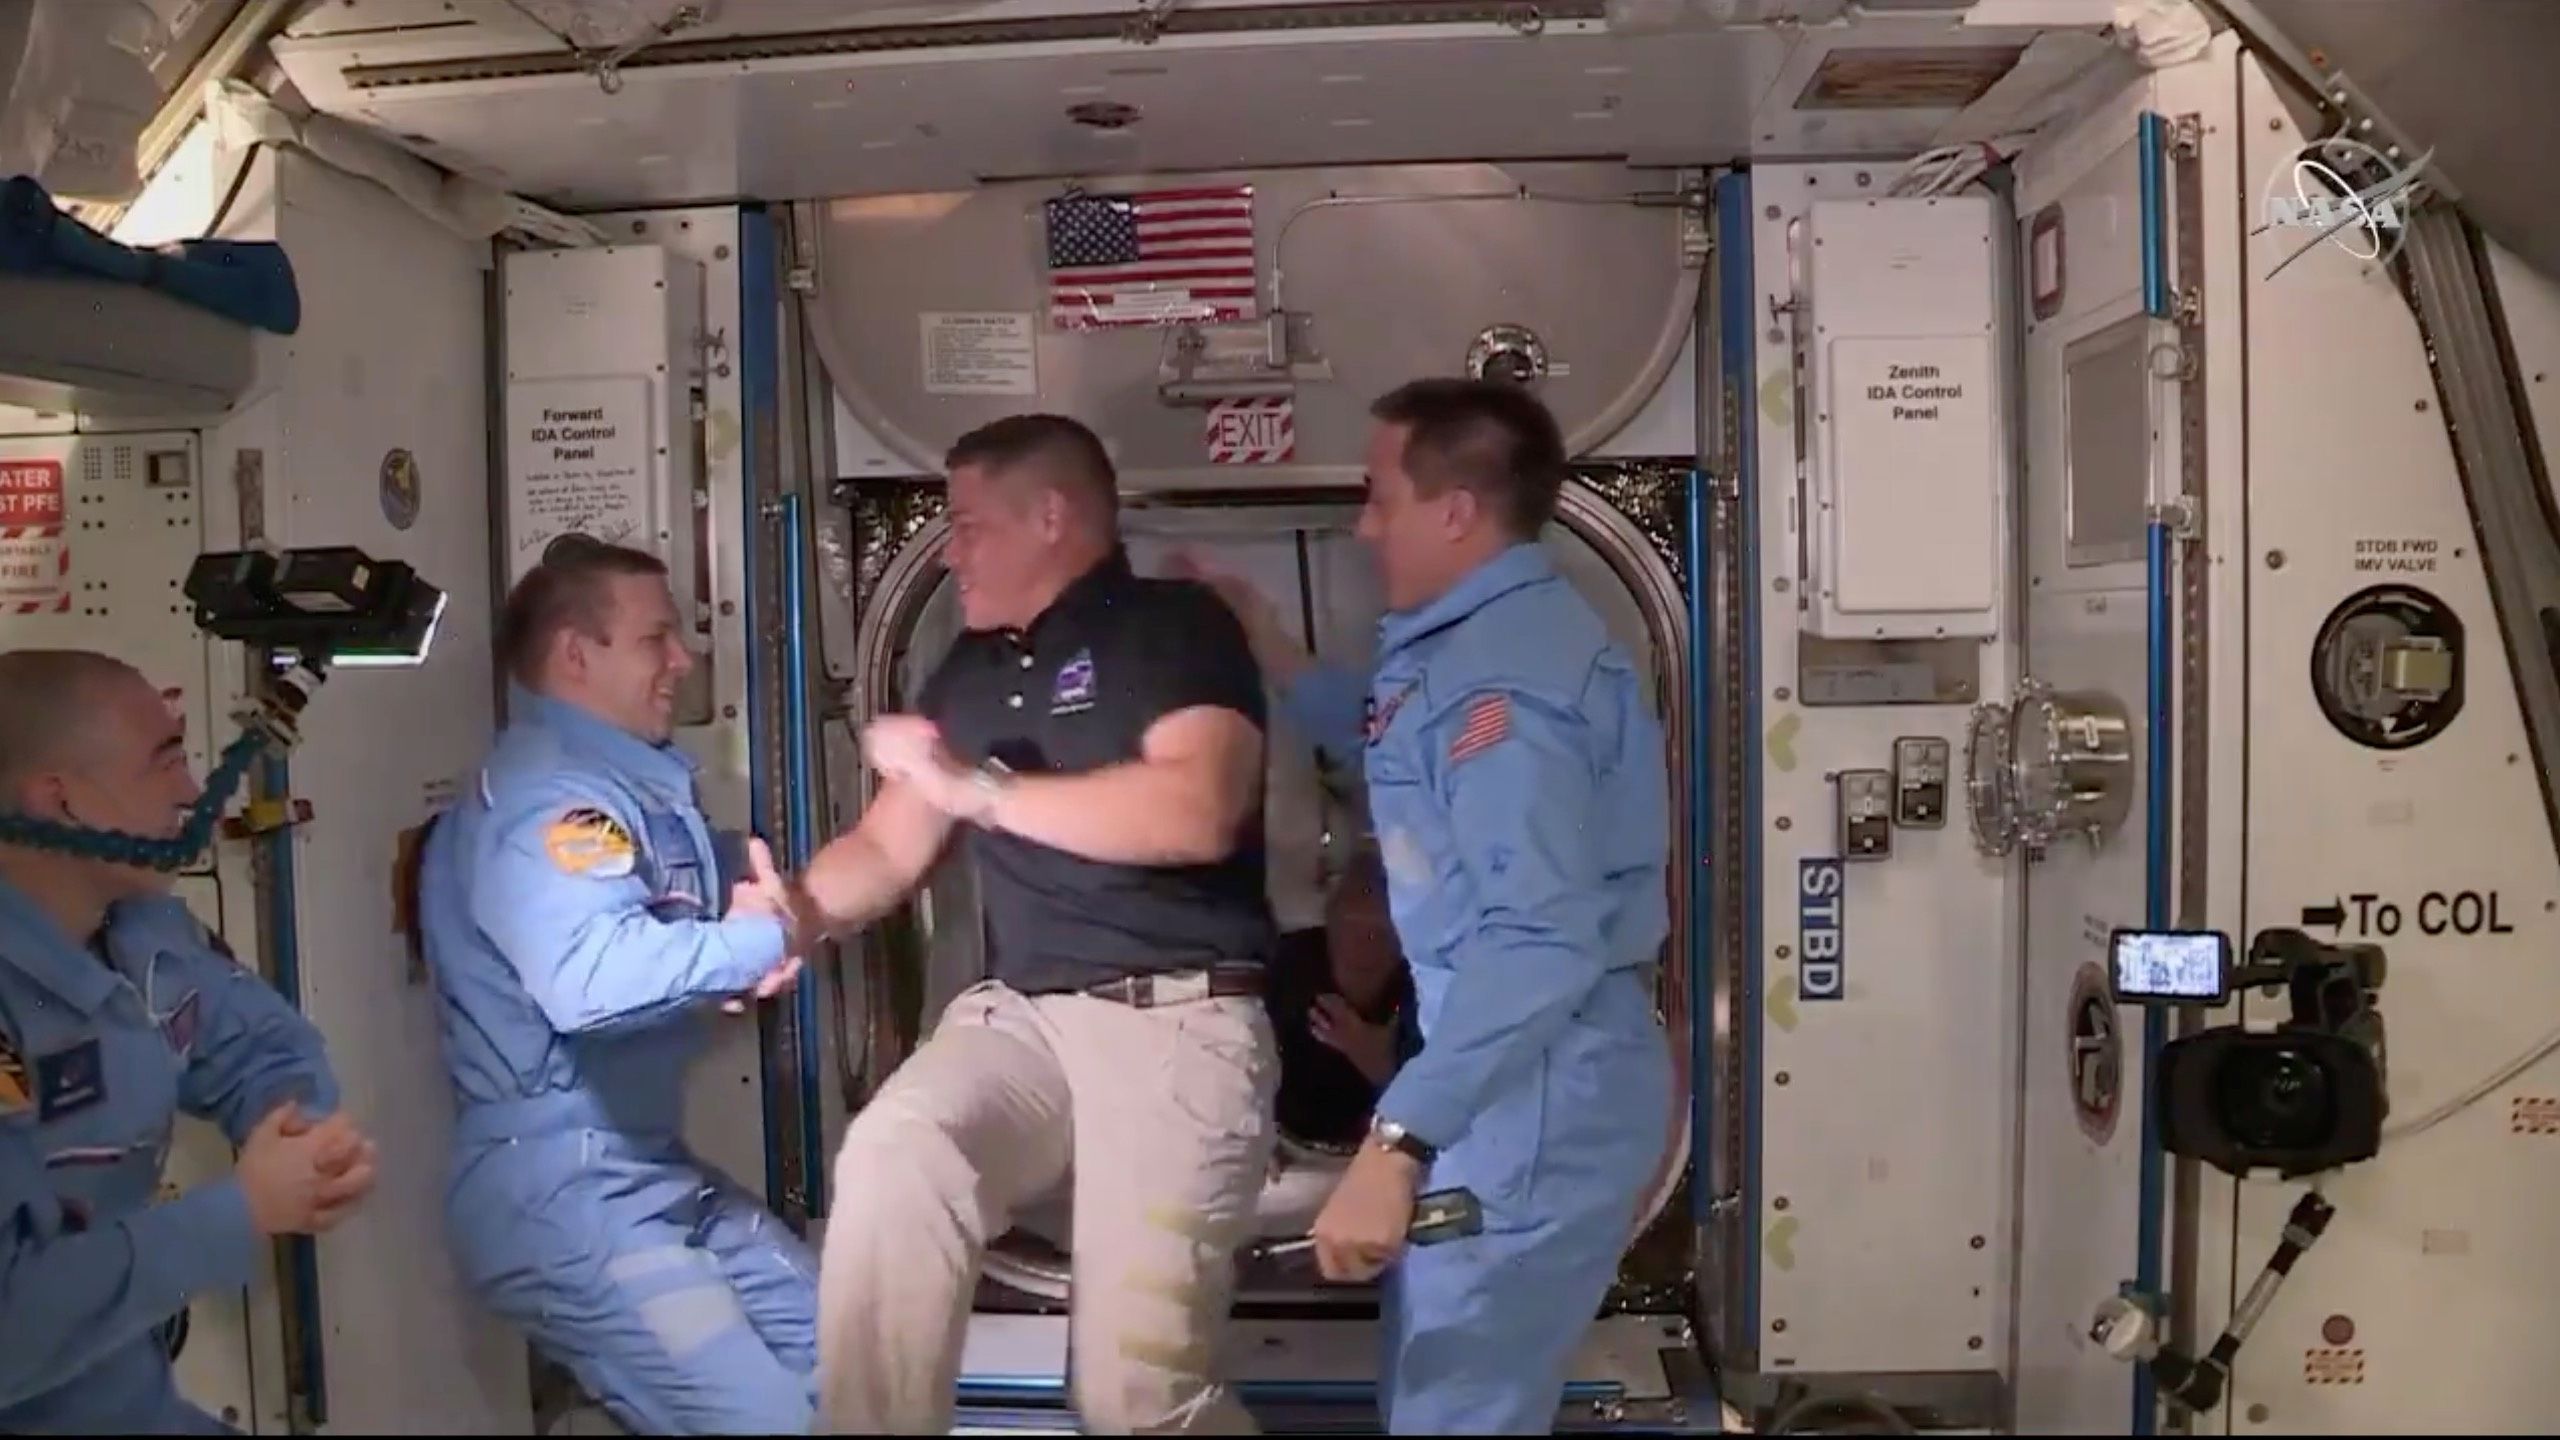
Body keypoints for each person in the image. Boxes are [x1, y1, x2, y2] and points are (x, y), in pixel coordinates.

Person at [1178, 377, 1676, 1434]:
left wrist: (1394, 1145)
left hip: (1532, 1093)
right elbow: (1387, 740)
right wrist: (1263, 635)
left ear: (1454, 510)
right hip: (1501, 1079)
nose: (1362, 527)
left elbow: (1538, 940)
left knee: (1459, 1413)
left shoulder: (1511, 693)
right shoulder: (1466, 656)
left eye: (1377, 496)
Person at [774, 413, 1280, 1435]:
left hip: (1175, 1021)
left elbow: (1194, 812)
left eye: (967, 525)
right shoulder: (965, 671)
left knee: (1135, 1399)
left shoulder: (1174, 626)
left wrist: (979, 789)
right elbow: (884, 848)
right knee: (895, 1157)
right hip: (1027, 1024)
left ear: (1050, 515)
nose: (949, 550)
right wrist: (791, 915)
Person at [416, 538, 817, 1435]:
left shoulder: (624, 790)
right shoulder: (548, 802)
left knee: (860, 1368)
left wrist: (747, 916)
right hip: (568, 1199)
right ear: (575, 655)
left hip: (644, 1176)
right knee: (770, 1424)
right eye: (658, 639)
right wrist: (752, 942)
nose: (683, 660)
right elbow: (588, 981)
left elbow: (680, 914)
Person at [0, 648, 379, 1434]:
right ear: (60, 801)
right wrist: (242, 1212)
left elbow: (260, 1050)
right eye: (163, 762)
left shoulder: (142, 934)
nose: (188, 790)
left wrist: (296, 1130)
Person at [1266, 847, 1418, 1151]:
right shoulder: (1287, 962)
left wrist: (1367, 1050)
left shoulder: (1420, 987)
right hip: (1284, 1143)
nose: (1362, 944)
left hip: (1380, 1150)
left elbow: (1431, 1101)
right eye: (1350, 925)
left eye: (1378, 932)